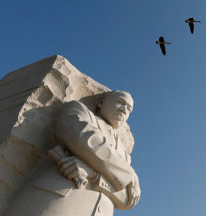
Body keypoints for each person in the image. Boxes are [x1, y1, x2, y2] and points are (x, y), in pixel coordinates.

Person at [6, 91, 140, 216]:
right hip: (57, 200)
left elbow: (129, 199)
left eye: (129, 109)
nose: (124, 110)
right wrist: (129, 174)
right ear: (101, 102)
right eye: (120, 102)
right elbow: (85, 141)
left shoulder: (124, 154)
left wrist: (93, 175)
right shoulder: (79, 111)